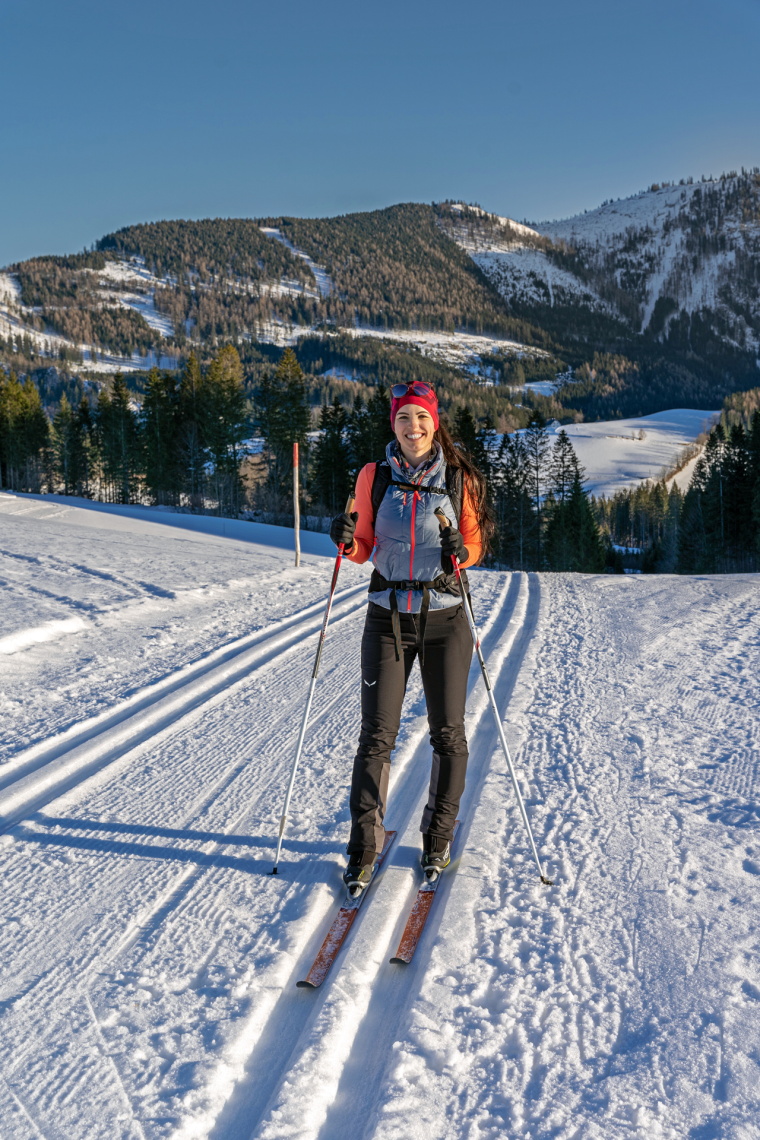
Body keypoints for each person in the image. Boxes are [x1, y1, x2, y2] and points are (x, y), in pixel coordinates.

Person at [329, 381, 494, 897]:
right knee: (376, 735)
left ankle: (438, 838)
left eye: (422, 418)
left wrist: (460, 551)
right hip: (387, 616)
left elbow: (475, 546)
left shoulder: (459, 478)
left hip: (445, 617)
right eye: (404, 418)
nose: (413, 427)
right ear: (394, 425)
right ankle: (363, 849)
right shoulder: (374, 476)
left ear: (434, 424)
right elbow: (363, 545)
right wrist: (345, 541)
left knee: (448, 732)